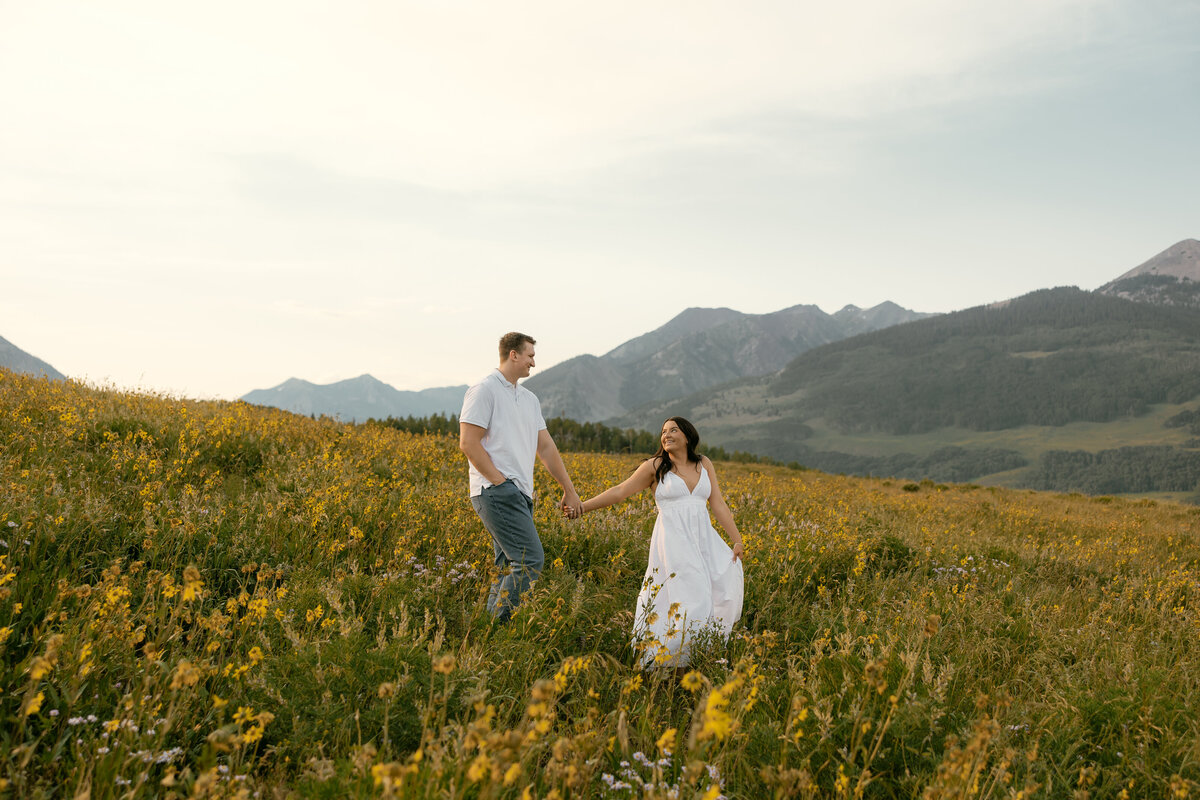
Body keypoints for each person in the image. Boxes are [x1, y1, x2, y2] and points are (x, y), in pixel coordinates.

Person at [577, 417, 744, 667]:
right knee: (689, 598)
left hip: (703, 541)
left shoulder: (704, 464)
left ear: (687, 436)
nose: (666, 435)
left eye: (673, 430)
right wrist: (582, 507)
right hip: (673, 543)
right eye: (663, 431)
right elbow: (620, 492)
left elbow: (718, 504)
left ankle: (694, 658)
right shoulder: (655, 466)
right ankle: (668, 660)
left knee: (715, 593)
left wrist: (737, 539)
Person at [459, 332, 583, 622]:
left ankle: (487, 630)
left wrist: (569, 488)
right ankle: (500, 629)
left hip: (519, 494)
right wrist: (502, 483)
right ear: (513, 355)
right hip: (495, 490)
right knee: (529, 560)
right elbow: (468, 442)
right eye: (530, 356)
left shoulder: (529, 399)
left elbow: (547, 447)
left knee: (507, 565)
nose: (534, 363)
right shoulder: (483, 390)